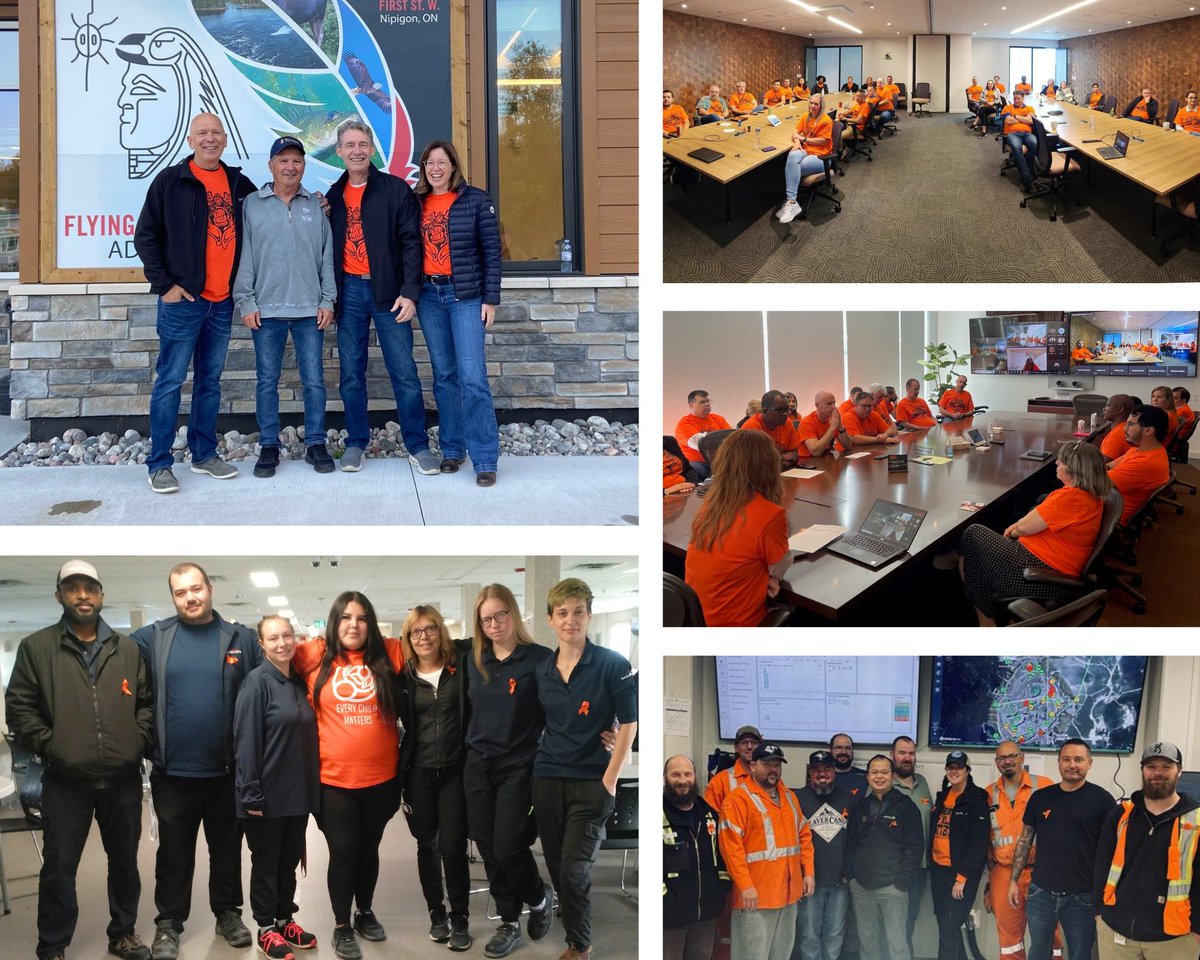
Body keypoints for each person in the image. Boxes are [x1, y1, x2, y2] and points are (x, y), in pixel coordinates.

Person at [5, 560, 153, 960]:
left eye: (90, 587)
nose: (82, 595)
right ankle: (52, 945)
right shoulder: (37, 647)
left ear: (102, 594)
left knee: (124, 864)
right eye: (72, 588)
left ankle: (123, 933)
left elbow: (145, 704)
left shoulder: (126, 649)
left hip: (121, 780)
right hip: (65, 781)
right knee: (59, 868)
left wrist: (135, 742)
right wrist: (54, 746)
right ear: (59, 596)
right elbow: (19, 708)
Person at [131, 562, 262, 960]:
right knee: (174, 853)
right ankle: (169, 924)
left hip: (226, 770)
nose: (190, 597)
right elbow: (108, 653)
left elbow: (264, 694)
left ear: (210, 588)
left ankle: (227, 914)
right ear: (173, 597)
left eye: (195, 588)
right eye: (180, 592)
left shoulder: (242, 637)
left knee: (226, 849)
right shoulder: (153, 638)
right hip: (173, 772)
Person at [134, 112, 257, 494]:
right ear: (191, 140)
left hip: (221, 303)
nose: (210, 139)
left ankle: (203, 455)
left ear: (224, 139)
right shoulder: (171, 182)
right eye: (202, 133)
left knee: (210, 382)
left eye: (216, 133)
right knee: (170, 381)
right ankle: (159, 464)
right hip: (183, 301)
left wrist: (316, 205)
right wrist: (165, 285)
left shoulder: (238, 183)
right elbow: (145, 236)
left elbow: (271, 208)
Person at [290, 592, 405, 960]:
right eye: (345, 618)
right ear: (334, 621)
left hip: (381, 779)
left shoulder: (389, 653)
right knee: (343, 850)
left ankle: (365, 912)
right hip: (332, 780)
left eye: (361, 618)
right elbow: (276, 649)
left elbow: (436, 642)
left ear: (370, 624)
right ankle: (342, 924)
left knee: (368, 849)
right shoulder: (313, 657)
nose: (353, 625)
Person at [532, 578, 638, 960]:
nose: (570, 620)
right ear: (550, 619)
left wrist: (610, 777)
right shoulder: (542, 669)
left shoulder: (612, 664)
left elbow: (629, 722)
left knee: (575, 870)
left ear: (589, 615)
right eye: (562, 613)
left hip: (592, 782)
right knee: (560, 867)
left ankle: (580, 944)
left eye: (578, 612)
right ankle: (569, 913)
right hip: (547, 779)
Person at [326, 119, 432, 475]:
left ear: (371, 149)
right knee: (351, 372)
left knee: (403, 370)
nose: (356, 151)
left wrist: (410, 292)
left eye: (362, 144)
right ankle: (356, 442)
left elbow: (412, 243)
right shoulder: (332, 197)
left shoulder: (394, 189)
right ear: (339, 152)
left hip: (389, 293)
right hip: (349, 292)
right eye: (349, 145)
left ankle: (417, 444)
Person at [232, 135, 337, 479]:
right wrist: (245, 299)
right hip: (266, 309)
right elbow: (244, 254)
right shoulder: (252, 204)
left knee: (314, 381)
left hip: (310, 310)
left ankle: (316, 443)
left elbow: (327, 257)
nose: (290, 166)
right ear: (271, 165)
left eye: (296, 161)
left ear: (303, 166)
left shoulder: (315, 206)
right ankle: (268, 445)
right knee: (267, 380)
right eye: (283, 160)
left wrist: (328, 299)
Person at [465, 585, 557, 958]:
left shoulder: (539, 658)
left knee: (508, 846)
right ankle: (508, 922)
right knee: (488, 848)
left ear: (513, 614)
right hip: (477, 764)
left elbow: (561, 707)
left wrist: (607, 729)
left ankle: (538, 898)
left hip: (519, 766)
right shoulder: (474, 658)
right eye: (486, 619)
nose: (493, 624)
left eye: (500, 614)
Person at [413, 139, 502, 486]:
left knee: (472, 378)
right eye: (429, 163)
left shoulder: (476, 200)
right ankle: (452, 449)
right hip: (429, 296)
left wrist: (489, 298)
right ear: (424, 169)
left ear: (453, 166)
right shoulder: (416, 202)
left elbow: (492, 252)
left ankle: (484, 459)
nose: (435, 168)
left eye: (441, 162)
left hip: (465, 295)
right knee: (445, 376)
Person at [232, 615, 321, 960]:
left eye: (287, 636)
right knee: (266, 863)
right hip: (265, 796)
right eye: (274, 638)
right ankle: (266, 927)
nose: (282, 643)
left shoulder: (299, 682)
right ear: (262, 644)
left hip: (296, 794)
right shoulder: (256, 684)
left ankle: (286, 918)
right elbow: (246, 742)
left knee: (287, 862)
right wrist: (250, 792)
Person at [958, 441, 1111, 625]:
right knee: (978, 551)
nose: (1056, 463)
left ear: (1072, 469)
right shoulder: (1089, 496)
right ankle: (972, 581)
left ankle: (985, 619)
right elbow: (1032, 520)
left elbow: (1022, 528)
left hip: (1039, 574)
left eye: (1061, 462)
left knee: (974, 534)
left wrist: (1013, 531)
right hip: (1050, 568)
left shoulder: (1070, 499)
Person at [396, 606, 473, 951]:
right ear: (408, 639)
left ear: (441, 632)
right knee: (425, 844)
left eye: (430, 629)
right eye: (416, 632)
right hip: (419, 773)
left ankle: (460, 917)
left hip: (455, 771)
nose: (424, 637)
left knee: (453, 845)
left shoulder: (462, 667)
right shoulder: (405, 678)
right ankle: (436, 914)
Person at [1008, 739, 1116, 960]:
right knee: (1038, 951)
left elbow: (1114, 850)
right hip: (1041, 894)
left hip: (1083, 897)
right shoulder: (1041, 798)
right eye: (1066, 759)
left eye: (1079, 759)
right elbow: (1025, 840)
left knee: (1079, 954)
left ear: (1089, 763)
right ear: (1058, 762)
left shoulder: (1103, 800)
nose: (1072, 764)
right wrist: (1013, 880)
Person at [1094, 741, 1200, 958]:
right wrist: (1099, 913)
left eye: (1166, 766)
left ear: (1179, 771)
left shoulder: (1196, 820)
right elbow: (1101, 866)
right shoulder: (1121, 815)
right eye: (1151, 766)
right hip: (1116, 931)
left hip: (1175, 937)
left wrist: (1197, 929)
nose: (1158, 773)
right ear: (1142, 770)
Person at [684, 430, 791, 627]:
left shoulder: (711, 504)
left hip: (701, 620)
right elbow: (779, 566)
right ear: (768, 465)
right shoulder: (770, 514)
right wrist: (771, 577)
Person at [720, 743, 815, 960]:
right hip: (755, 898)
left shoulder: (790, 797)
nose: (773, 770)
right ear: (752, 766)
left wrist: (808, 872)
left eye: (777, 765)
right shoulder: (737, 800)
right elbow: (731, 849)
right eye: (767, 764)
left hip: (789, 895)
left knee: (781, 955)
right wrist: (745, 886)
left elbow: (804, 836)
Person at [844, 756, 923, 960]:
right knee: (868, 943)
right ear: (868, 776)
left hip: (893, 889)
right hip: (862, 888)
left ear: (892, 775)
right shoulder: (859, 806)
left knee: (897, 945)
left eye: (884, 772)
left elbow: (915, 847)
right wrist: (851, 877)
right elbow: (850, 844)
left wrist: (901, 883)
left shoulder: (906, 806)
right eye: (874, 772)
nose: (879, 776)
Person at [984, 742, 1054, 960]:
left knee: (1051, 937)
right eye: (1001, 758)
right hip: (1003, 873)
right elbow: (984, 840)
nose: (1007, 761)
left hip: (1041, 872)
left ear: (1022, 758)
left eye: (1012, 756)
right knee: (1009, 941)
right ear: (996, 763)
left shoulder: (1044, 786)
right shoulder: (988, 794)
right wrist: (989, 882)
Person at [664, 756, 731, 960]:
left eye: (687, 774)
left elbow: (723, 858)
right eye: (675, 774)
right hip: (669, 917)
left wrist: (720, 890)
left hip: (705, 915)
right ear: (665, 778)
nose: (682, 780)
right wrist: (664, 901)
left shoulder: (710, 816)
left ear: (695, 777)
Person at [792, 751, 853, 960]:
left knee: (834, 935)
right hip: (809, 882)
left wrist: (848, 872)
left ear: (834, 771)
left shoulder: (848, 798)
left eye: (827, 769)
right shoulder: (797, 798)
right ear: (810, 772)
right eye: (817, 770)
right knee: (809, 936)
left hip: (840, 882)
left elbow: (855, 840)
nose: (822, 774)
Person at [928, 752, 989, 960]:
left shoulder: (977, 799)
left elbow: (979, 844)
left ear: (967, 771)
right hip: (939, 871)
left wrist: (962, 878)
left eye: (959, 768)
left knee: (949, 928)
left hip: (960, 876)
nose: (954, 771)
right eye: (950, 768)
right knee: (946, 928)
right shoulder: (943, 796)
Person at [890, 736, 933, 951]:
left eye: (911, 753)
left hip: (920, 867)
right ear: (892, 755)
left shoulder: (923, 783)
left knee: (910, 917)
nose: (907, 758)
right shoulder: (884, 784)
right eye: (902, 753)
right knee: (891, 921)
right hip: (893, 868)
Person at [1107, 404, 1171, 525]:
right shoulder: (1141, 449)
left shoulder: (1145, 463)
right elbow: (1109, 465)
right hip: (1108, 503)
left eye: (1130, 424)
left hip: (1110, 519)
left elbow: (1096, 482)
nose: (1124, 429)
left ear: (1148, 430)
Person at [777, 94, 833, 225]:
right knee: (791, 156)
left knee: (793, 168)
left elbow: (823, 141)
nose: (812, 106)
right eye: (811, 103)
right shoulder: (805, 116)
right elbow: (795, 132)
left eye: (816, 104)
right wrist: (797, 141)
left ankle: (790, 202)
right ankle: (792, 202)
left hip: (821, 156)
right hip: (805, 150)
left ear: (821, 106)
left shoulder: (825, 120)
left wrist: (804, 139)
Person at [675, 389, 734, 482]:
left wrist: (707, 437)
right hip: (698, 463)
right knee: (694, 469)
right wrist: (719, 440)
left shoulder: (718, 419)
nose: (707, 404)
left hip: (720, 461)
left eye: (708, 401)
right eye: (703, 402)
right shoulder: (685, 423)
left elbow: (732, 439)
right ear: (691, 405)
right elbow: (702, 445)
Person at [704, 725, 763, 813]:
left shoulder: (769, 778)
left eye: (754, 742)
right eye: (744, 742)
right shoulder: (719, 781)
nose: (750, 746)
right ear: (736, 747)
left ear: (760, 747)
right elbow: (709, 818)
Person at [740, 390, 804, 468]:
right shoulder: (752, 427)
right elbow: (756, 464)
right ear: (765, 410)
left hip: (779, 473)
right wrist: (782, 457)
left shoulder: (787, 423)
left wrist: (779, 465)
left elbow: (794, 456)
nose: (785, 414)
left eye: (787, 410)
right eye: (779, 410)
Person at [1000, 90, 1039, 192]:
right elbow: (1008, 120)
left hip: (1027, 133)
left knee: (1034, 144)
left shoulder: (1029, 108)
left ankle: (1029, 171)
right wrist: (1024, 118)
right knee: (1017, 148)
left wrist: (1016, 117)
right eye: (1014, 99)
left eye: (1018, 99)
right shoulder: (1007, 107)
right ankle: (1027, 180)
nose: (1016, 101)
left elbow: (1031, 120)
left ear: (1023, 98)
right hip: (1012, 134)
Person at [797, 390, 849, 457]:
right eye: (829, 404)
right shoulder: (806, 423)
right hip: (808, 463)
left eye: (834, 403)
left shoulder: (832, 420)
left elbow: (848, 446)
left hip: (825, 460)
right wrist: (832, 428)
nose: (833, 406)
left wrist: (840, 426)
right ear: (817, 405)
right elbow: (815, 452)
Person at [835, 90, 871, 160]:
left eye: (859, 96)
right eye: (856, 96)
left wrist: (845, 119)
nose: (857, 98)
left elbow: (858, 120)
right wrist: (841, 114)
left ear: (864, 97)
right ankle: (843, 147)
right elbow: (848, 112)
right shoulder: (857, 104)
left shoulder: (865, 106)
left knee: (838, 136)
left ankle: (841, 152)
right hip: (850, 125)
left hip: (856, 128)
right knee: (835, 130)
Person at [1100, 394, 1135, 460]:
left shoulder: (1116, 435)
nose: (1104, 409)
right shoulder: (1129, 428)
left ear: (1119, 409)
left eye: (1108, 405)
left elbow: (1099, 465)